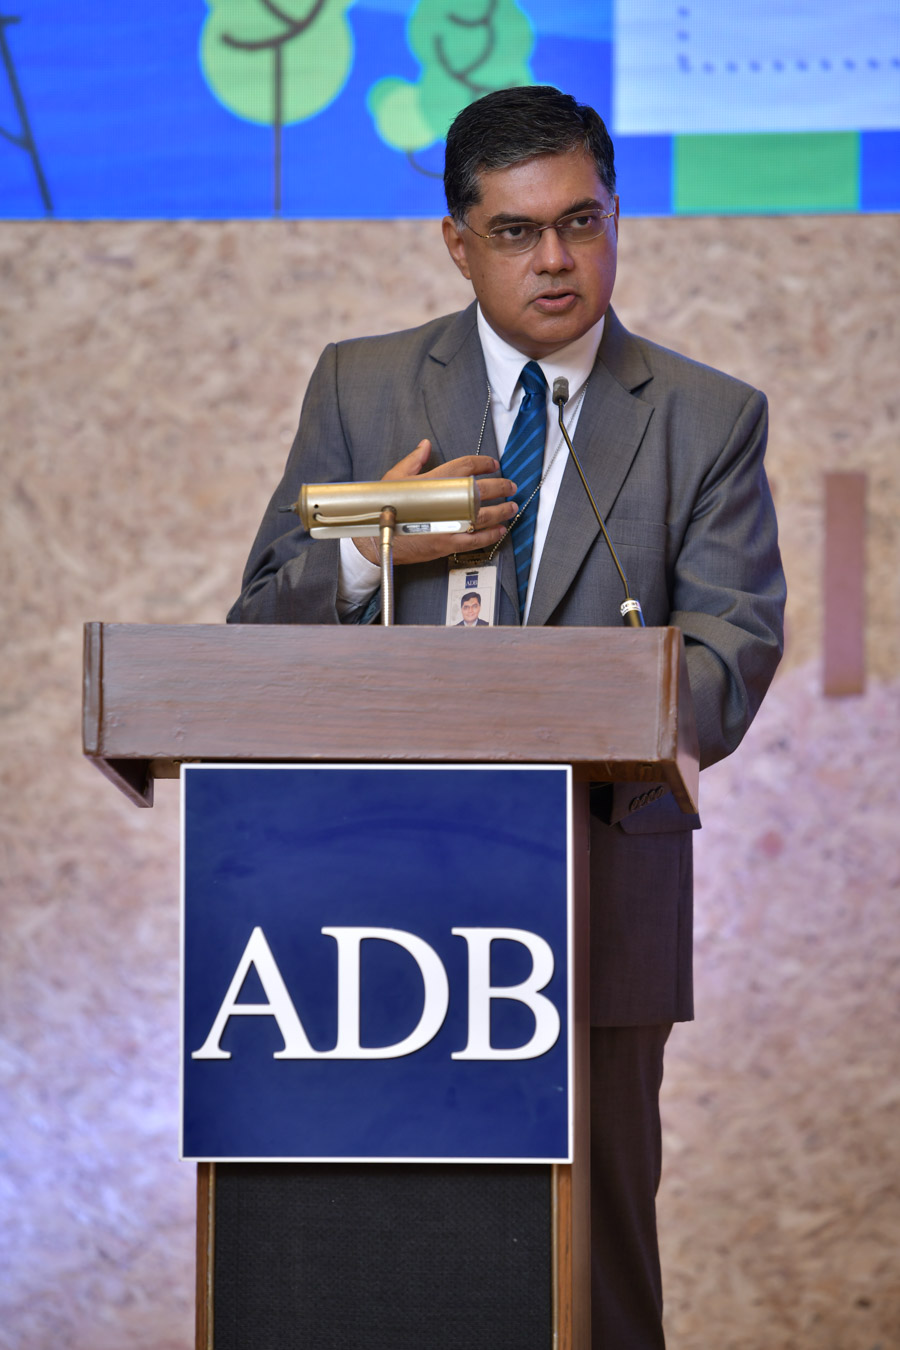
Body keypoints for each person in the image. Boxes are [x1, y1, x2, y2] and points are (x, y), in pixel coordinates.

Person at [228, 85, 785, 1348]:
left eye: (582, 222)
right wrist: (374, 550)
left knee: (597, 1265)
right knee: (390, 1261)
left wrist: (573, 702)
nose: (555, 260)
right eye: (517, 231)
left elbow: (730, 660)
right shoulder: (365, 386)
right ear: (458, 241)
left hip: (599, 899)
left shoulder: (705, 416)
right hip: (374, 909)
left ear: (616, 217)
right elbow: (258, 626)